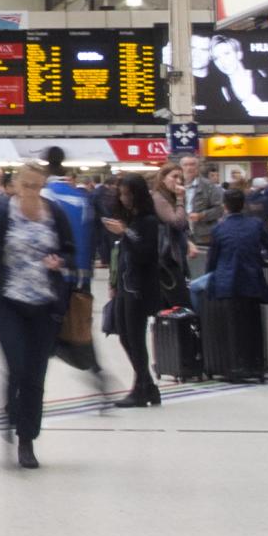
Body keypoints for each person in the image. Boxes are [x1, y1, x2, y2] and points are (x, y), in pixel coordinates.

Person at [0, 162, 72, 470]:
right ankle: (10, 411)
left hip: (45, 306)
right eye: (27, 186)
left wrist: (60, 261)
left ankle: (27, 439)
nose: (32, 192)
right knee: (17, 365)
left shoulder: (55, 215)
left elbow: (72, 252)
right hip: (7, 302)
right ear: (15, 186)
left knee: (35, 376)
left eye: (38, 186)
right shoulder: (2, 216)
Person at [102, 173, 166, 408]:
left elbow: (144, 253)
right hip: (125, 285)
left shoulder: (148, 221)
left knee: (135, 338)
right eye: (121, 194)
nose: (124, 198)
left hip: (139, 287)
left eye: (127, 194)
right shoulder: (131, 219)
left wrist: (125, 233)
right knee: (126, 336)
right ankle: (146, 385)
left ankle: (142, 387)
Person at [40, 148, 104, 383]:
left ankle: (26, 387)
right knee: (79, 328)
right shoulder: (81, 197)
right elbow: (90, 238)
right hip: (78, 275)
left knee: (45, 331)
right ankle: (96, 372)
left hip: (51, 275)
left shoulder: (44, 196)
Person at [201, 189, 268, 376]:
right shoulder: (255, 224)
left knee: (233, 325)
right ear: (243, 204)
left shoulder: (219, 229)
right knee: (253, 323)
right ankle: (256, 364)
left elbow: (212, 260)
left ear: (224, 206)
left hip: (227, 283)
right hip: (252, 279)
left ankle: (236, 365)